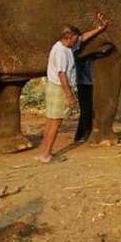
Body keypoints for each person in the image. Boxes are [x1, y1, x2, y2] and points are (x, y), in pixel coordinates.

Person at [37, 14, 108, 163]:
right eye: (75, 38)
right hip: (59, 88)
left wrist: (100, 28)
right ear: (68, 37)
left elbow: (83, 38)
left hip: (53, 87)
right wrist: (69, 95)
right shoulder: (62, 52)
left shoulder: (64, 45)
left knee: (51, 120)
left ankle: (43, 152)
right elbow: (62, 75)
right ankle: (46, 155)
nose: (77, 40)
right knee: (56, 122)